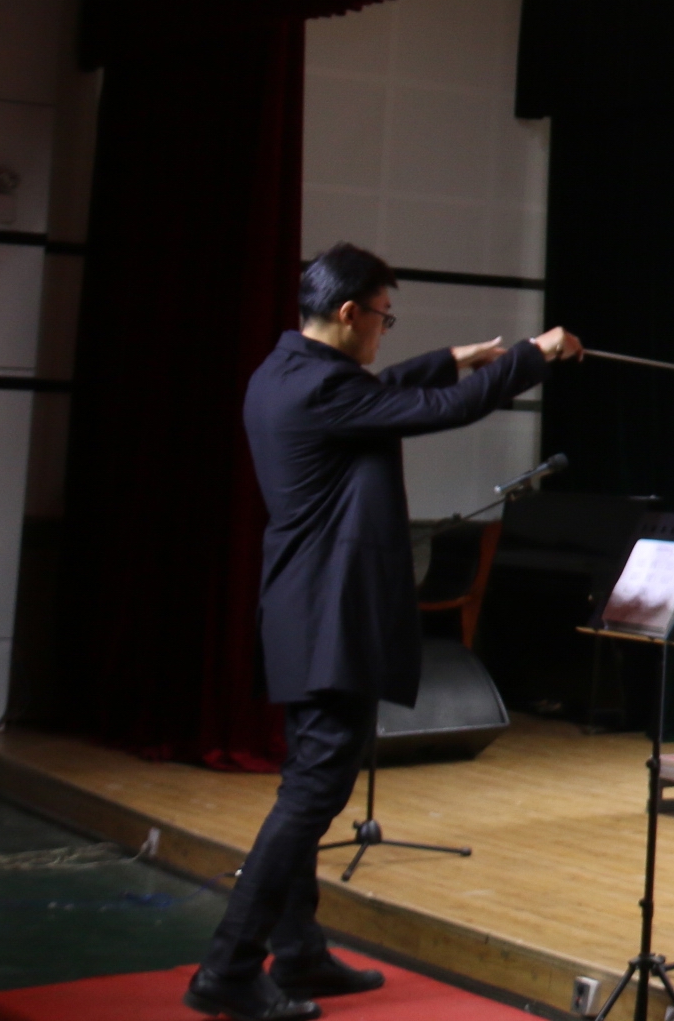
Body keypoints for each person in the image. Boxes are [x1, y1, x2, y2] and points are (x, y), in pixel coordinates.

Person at [194, 244, 579, 1021]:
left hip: (307, 608)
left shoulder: (286, 372)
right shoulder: (322, 393)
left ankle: (297, 952)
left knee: (309, 784)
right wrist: (530, 359)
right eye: (382, 316)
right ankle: (229, 967)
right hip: (326, 612)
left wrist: (452, 357)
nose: (382, 331)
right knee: (313, 791)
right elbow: (438, 411)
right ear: (347, 313)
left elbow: (379, 390)